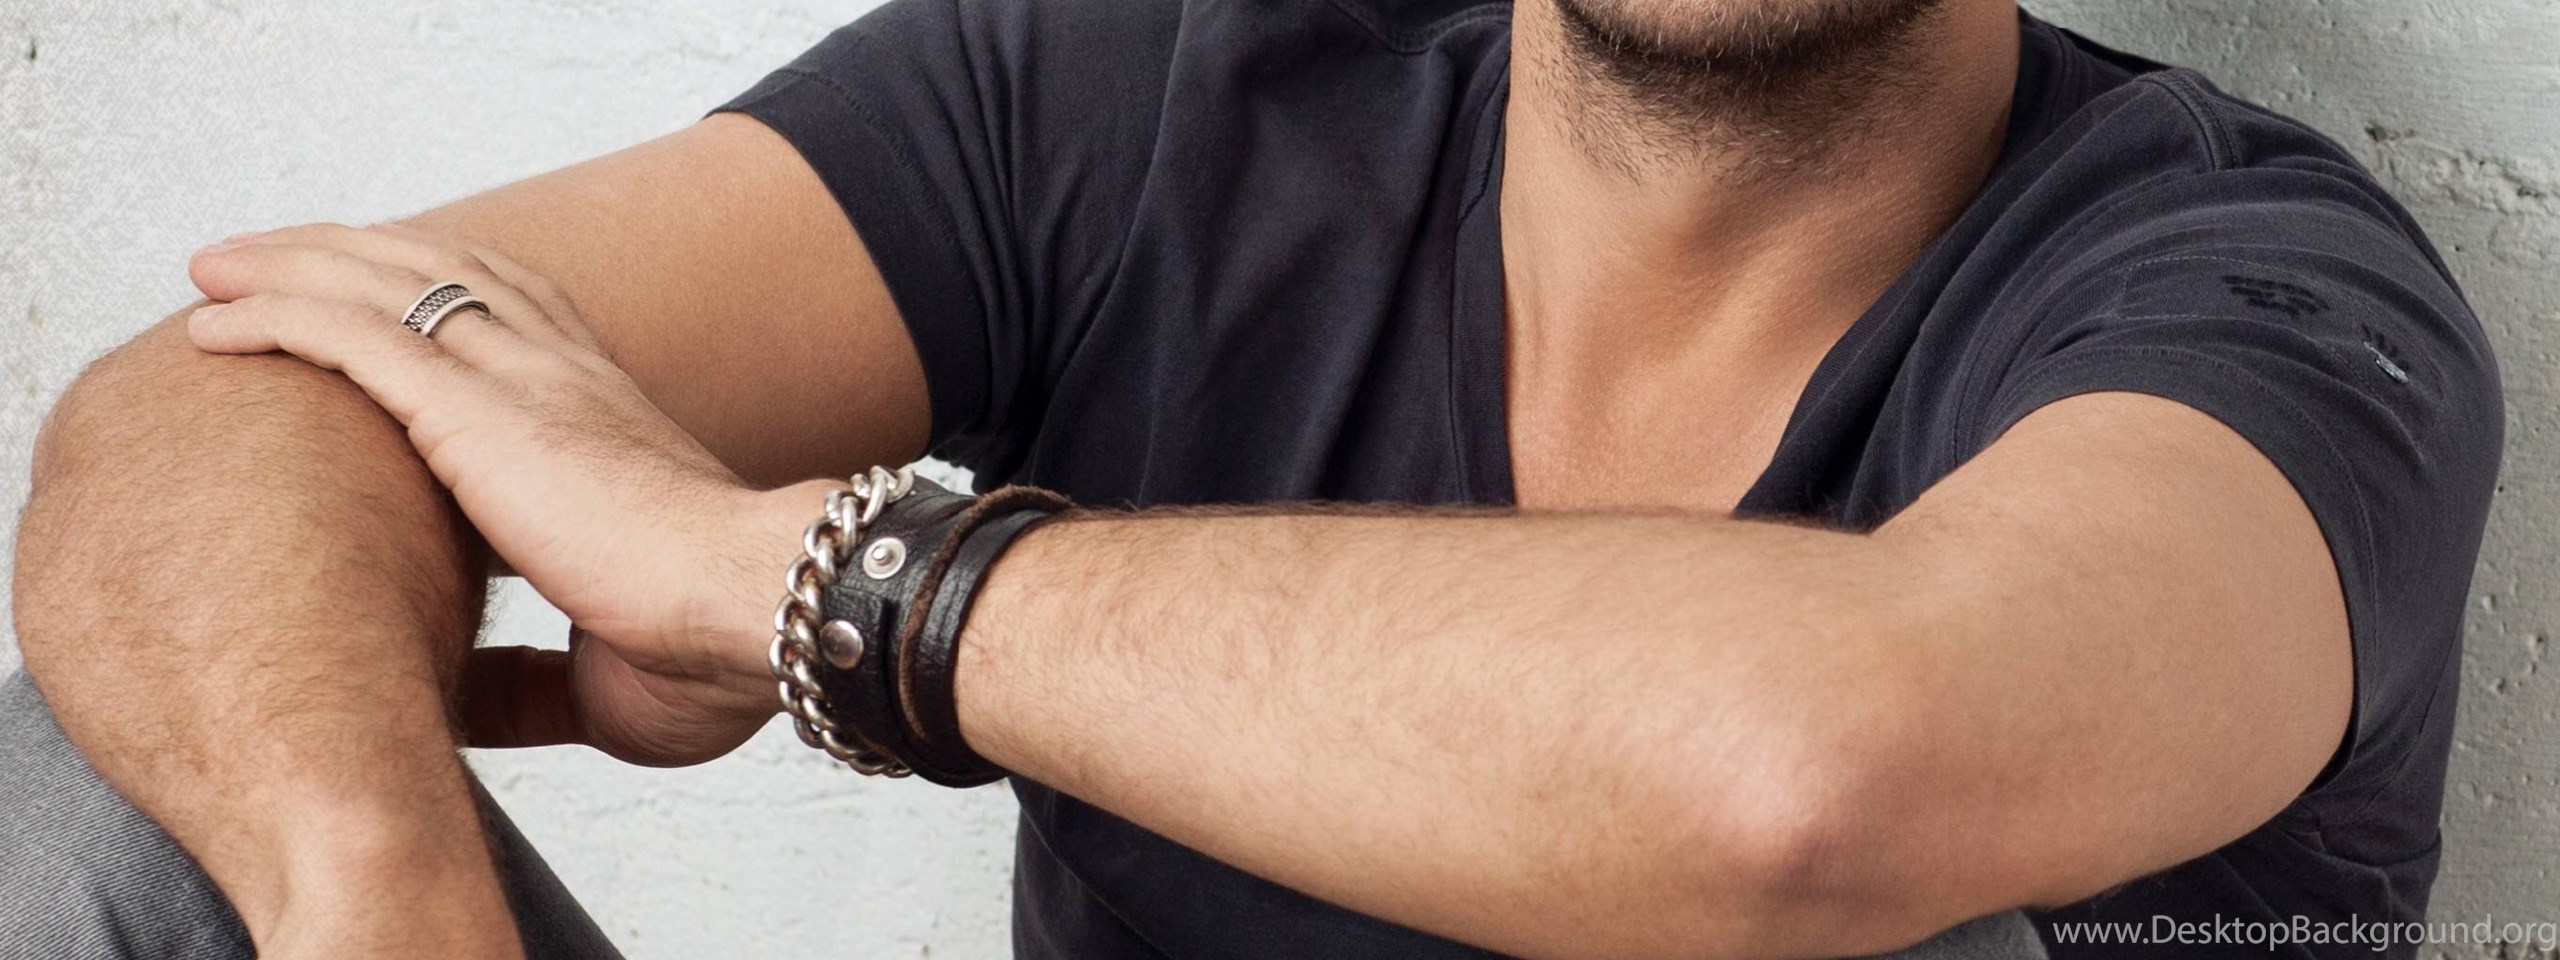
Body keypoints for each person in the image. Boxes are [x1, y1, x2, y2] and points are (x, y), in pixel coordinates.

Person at [0, 0, 2502, 958]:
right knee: (111, 796)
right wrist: (373, 890)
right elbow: (222, 400)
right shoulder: (1144, 102)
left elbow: (1819, 779)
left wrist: (809, 579)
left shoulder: (2262, 297)